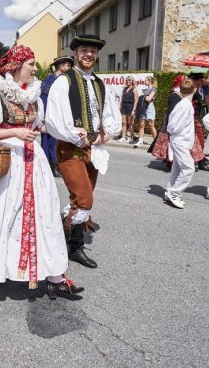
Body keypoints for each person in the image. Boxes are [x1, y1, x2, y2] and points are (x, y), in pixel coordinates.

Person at [0, 45, 84, 299]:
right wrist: (15, 132)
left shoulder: (34, 96)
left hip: (33, 162)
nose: (35, 68)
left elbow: (43, 127)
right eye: (31, 63)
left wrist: (73, 133)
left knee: (43, 217)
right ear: (16, 66)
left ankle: (54, 275)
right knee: (3, 219)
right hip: (6, 165)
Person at [46, 34, 122, 269]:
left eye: (92, 51)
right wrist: (75, 135)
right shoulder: (64, 81)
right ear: (75, 54)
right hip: (70, 149)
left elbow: (110, 115)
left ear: (96, 55)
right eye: (84, 50)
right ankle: (74, 247)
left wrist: (107, 133)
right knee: (85, 199)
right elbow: (54, 119)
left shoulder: (100, 83)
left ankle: (64, 233)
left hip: (94, 149)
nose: (89, 54)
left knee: (80, 199)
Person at [164, 78, 197, 209]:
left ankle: (169, 192)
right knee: (189, 168)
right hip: (180, 141)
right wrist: (173, 133)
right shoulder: (185, 105)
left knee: (177, 169)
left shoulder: (184, 104)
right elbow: (174, 125)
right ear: (194, 89)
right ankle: (175, 193)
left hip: (180, 140)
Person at [40, 56, 74, 177]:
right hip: (49, 116)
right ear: (61, 66)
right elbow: (43, 100)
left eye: (69, 65)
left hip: (59, 116)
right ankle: (49, 166)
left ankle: (54, 166)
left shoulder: (64, 79)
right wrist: (44, 119)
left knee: (56, 142)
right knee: (47, 142)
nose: (69, 67)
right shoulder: (50, 79)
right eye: (67, 65)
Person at [188, 72, 209, 172]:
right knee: (200, 141)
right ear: (195, 81)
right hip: (193, 118)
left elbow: (200, 103)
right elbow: (194, 104)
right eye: (201, 79)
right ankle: (198, 161)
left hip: (199, 118)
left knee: (198, 141)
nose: (203, 81)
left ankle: (198, 160)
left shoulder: (199, 90)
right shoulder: (192, 90)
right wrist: (205, 102)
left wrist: (206, 102)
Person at [137, 76, 158, 146]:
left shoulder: (154, 89)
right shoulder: (145, 90)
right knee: (141, 125)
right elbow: (141, 98)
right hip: (143, 107)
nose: (144, 81)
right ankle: (140, 141)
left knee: (151, 125)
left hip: (149, 108)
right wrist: (144, 96)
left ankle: (156, 142)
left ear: (150, 81)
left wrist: (143, 96)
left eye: (146, 80)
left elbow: (149, 99)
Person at [119, 76, 139, 143]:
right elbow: (122, 99)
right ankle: (123, 137)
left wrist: (134, 110)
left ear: (132, 81)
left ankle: (131, 137)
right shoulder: (124, 89)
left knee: (130, 123)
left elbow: (136, 100)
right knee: (124, 122)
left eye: (129, 80)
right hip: (124, 106)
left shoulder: (134, 89)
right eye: (127, 80)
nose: (128, 81)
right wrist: (120, 106)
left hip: (130, 106)